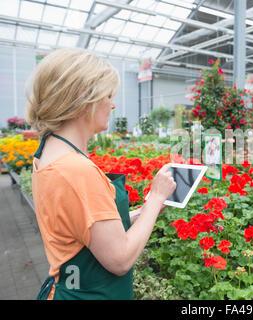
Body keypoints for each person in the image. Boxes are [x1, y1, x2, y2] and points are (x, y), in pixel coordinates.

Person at [25, 48, 176, 300]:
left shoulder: (48, 153)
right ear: (84, 97)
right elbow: (120, 258)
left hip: (65, 286)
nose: (113, 104)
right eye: (108, 95)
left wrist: (144, 212)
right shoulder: (76, 169)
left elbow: (86, 228)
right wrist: (157, 197)